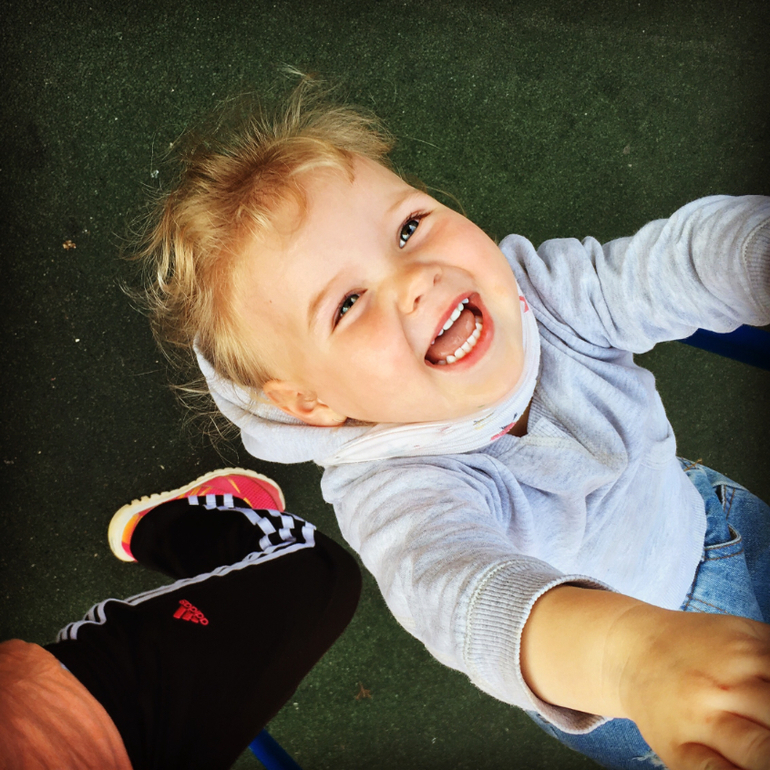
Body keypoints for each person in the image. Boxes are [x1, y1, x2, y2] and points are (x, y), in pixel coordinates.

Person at [135, 74, 770, 770]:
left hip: (717, 521)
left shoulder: (547, 295)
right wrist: (631, 660)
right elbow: (460, 592)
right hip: (631, 691)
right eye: (348, 304)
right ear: (313, 404)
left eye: (409, 228)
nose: (415, 278)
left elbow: (680, 263)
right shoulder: (396, 491)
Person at [0, 469, 362, 770]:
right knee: (316, 578)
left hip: (65, 727)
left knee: (320, 574)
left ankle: (159, 527)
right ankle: (156, 531)